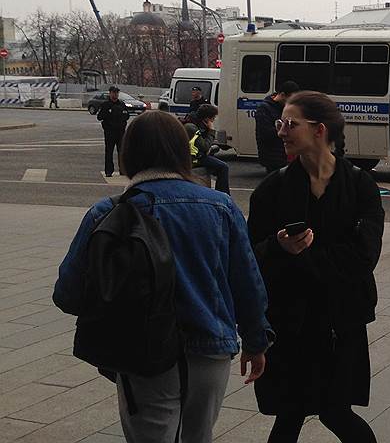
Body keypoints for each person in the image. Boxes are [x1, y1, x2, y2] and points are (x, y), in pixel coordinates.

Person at [53, 110, 272, 442]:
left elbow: (67, 293)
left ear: (129, 154)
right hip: (210, 349)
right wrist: (256, 341)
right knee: (199, 435)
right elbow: (247, 285)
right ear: (181, 152)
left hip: (142, 352)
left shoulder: (109, 212)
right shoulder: (221, 207)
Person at [247, 91, 384, 443]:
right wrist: (277, 247)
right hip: (290, 323)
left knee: (336, 411)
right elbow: (250, 257)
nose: (281, 131)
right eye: (280, 123)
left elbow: (363, 257)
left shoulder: (360, 186)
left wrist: (302, 257)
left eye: (290, 124)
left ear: (319, 130)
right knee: (289, 412)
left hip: (341, 322)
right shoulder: (272, 189)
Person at [255, 81, 301, 173]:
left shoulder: (284, 107)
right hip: (273, 155)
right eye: (290, 100)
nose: (291, 104)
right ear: (282, 95)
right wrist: (287, 129)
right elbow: (265, 133)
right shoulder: (264, 109)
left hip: (285, 154)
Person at [186, 104, 230, 195]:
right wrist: (211, 131)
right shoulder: (192, 128)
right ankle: (222, 195)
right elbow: (204, 146)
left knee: (220, 164)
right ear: (206, 119)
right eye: (213, 118)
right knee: (223, 167)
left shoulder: (199, 125)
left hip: (198, 155)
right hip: (193, 158)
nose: (213, 121)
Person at [96, 86, 129, 177]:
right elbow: (99, 117)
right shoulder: (106, 105)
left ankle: (122, 170)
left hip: (120, 132)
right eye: (114, 92)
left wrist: (123, 124)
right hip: (110, 132)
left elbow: (127, 116)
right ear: (110, 93)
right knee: (109, 152)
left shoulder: (122, 104)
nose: (115, 94)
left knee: (121, 152)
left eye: (117, 93)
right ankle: (109, 171)